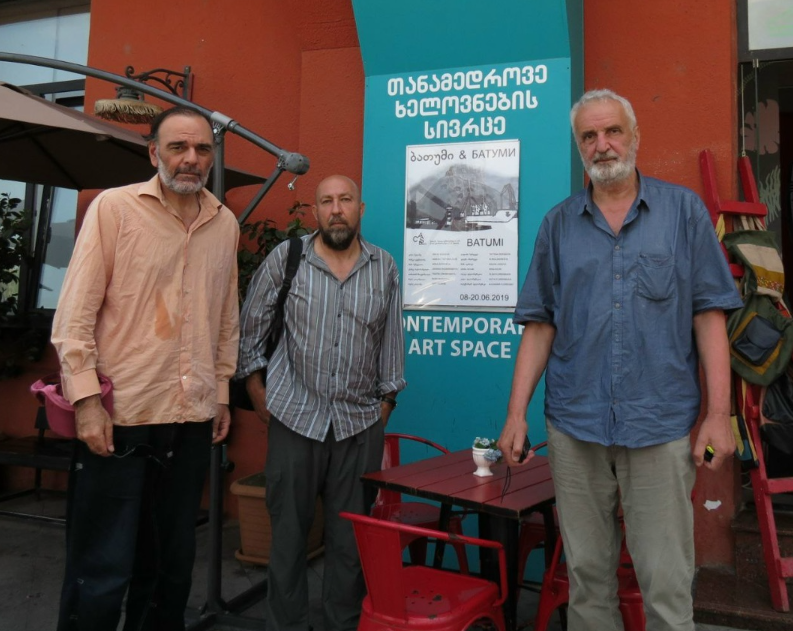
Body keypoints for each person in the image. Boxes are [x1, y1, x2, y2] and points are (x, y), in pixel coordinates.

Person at [497, 89, 743, 631]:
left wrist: (718, 415)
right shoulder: (558, 225)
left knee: (667, 583)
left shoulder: (683, 213)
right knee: (587, 579)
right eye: (589, 136)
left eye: (612, 132)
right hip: (575, 426)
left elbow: (709, 316)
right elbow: (539, 324)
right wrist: (515, 415)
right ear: (578, 146)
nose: (602, 145)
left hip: (660, 425)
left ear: (635, 138)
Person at [51, 106, 240, 631]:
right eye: (178, 147)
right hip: (120, 418)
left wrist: (222, 391)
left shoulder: (224, 223)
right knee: (101, 567)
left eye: (202, 149)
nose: (191, 158)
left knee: (172, 565)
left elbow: (226, 316)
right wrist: (87, 403)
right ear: (154, 152)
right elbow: (74, 315)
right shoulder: (115, 209)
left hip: (191, 417)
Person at [236, 174, 406, 631]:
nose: (336, 209)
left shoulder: (384, 267)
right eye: (327, 201)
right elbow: (250, 328)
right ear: (315, 212)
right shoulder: (286, 258)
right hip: (295, 419)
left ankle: (341, 623)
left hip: (358, 424)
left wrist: (386, 402)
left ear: (360, 209)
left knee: (349, 543)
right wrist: (257, 391)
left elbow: (391, 340)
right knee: (288, 538)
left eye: (345, 200)